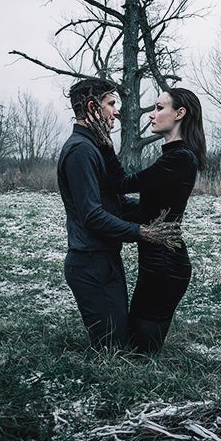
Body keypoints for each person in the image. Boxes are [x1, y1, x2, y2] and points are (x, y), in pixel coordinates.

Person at [53, 79, 180, 347]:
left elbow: (116, 203)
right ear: (92, 107)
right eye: (111, 104)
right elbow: (92, 215)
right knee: (113, 350)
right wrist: (143, 233)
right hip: (89, 263)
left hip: (106, 259)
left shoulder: (95, 147)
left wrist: (158, 213)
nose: (117, 111)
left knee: (128, 339)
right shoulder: (80, 151)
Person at [122, 86, 205, 353]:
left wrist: (101, 146)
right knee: (137, 344)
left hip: (166, 265)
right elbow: (147, 209)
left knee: (142, 353)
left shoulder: (180, 158)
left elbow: (126, 183)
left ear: (180, 113)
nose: (152, 114)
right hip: (157, 261)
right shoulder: (172, 156)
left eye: (159, 108)